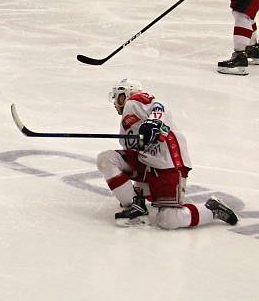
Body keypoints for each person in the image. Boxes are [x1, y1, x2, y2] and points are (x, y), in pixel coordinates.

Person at [97, 78, 239, 228]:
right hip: (147, 164)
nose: (114, 102)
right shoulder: (124, 127)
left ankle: (212, 209)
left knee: (169, 220)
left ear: (125, 94)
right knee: (107, 159)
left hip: (168, 162)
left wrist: (154, 122)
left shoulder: (134, 101)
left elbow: (158, 105)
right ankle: (135, 207)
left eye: (117, 96)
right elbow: (135, 153)